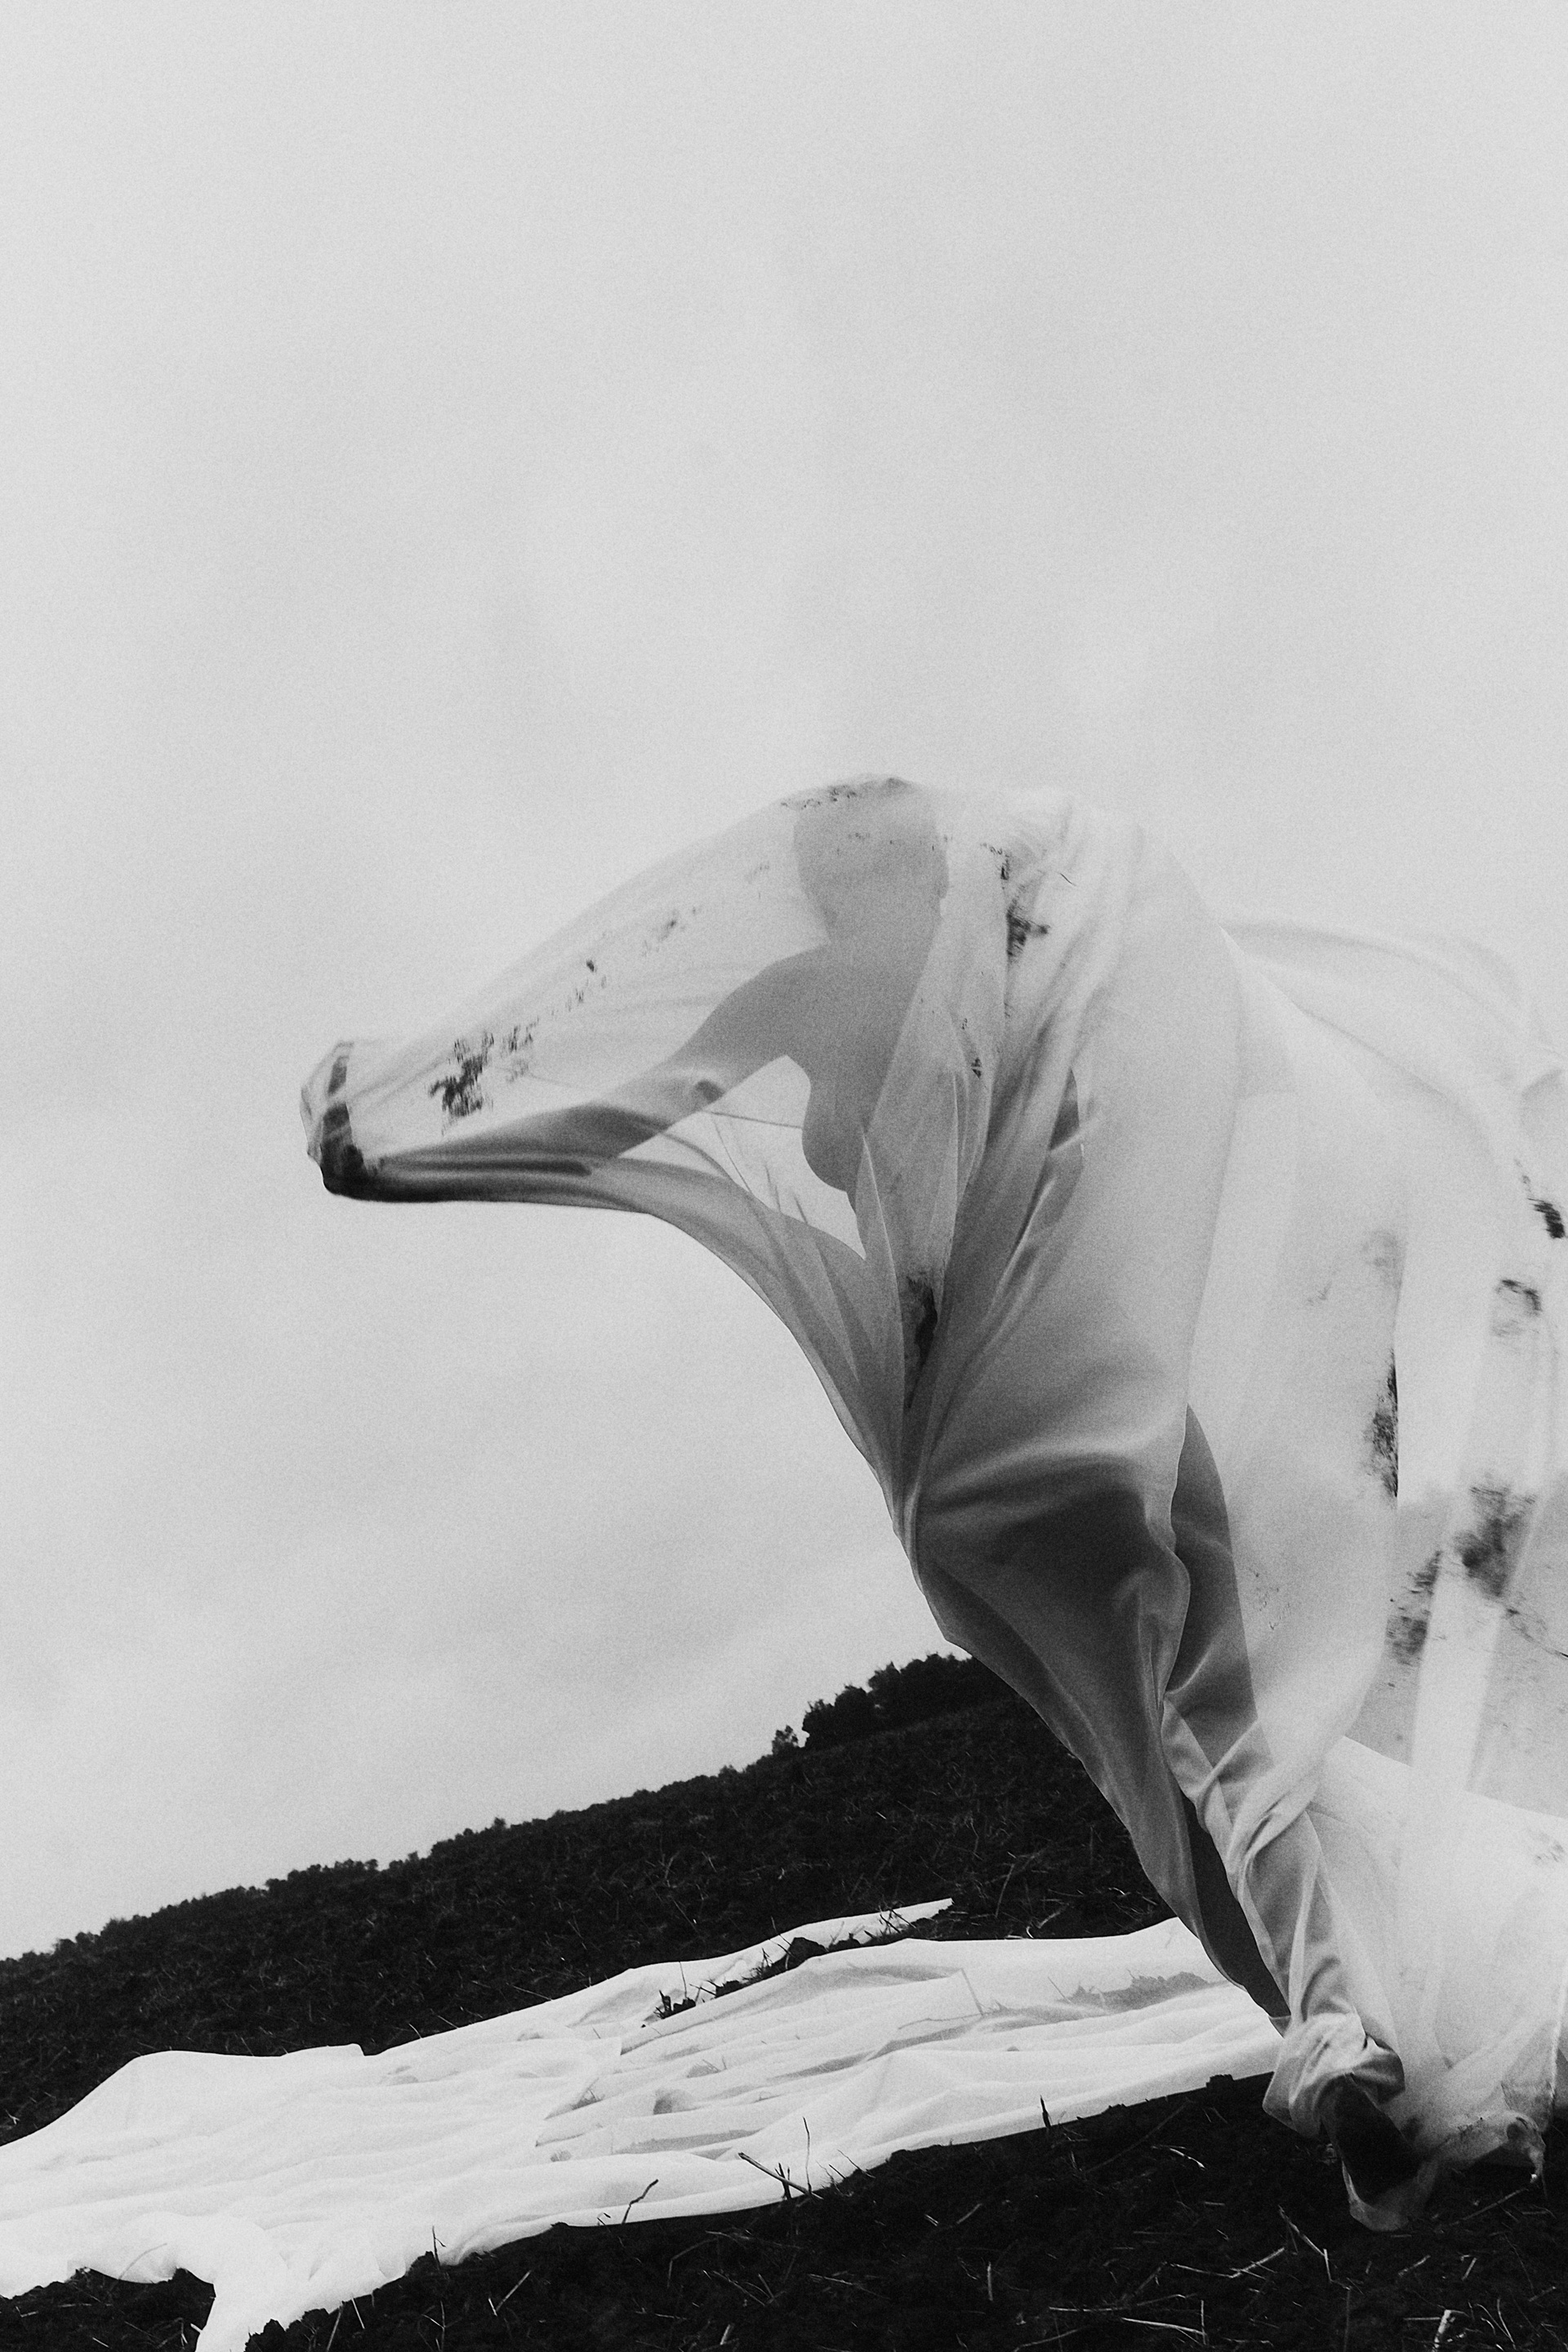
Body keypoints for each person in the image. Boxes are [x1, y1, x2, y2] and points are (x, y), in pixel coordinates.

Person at [304, 777, 1568, 2225]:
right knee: (1229, 1731)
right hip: (1112, 1397)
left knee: (1160, 1770)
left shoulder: (804, 993)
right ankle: (1349, 2027)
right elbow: (1196, 1120)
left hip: (977, 1453)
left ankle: (1338, 2029)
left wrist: (401, 1141)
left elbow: (615, 1110)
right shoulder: (1042, 958)